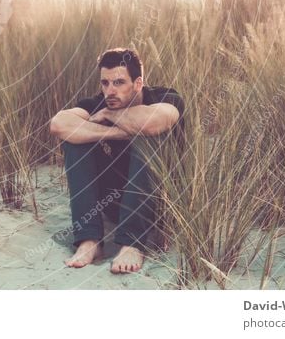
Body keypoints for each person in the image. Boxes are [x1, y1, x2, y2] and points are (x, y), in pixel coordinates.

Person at [49, 47, 184, 274]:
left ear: (138, 83)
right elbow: (59, 125)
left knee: (150, 136)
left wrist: (110, 117)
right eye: (105, 83)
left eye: (119, 83)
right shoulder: (96, 103)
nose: (110, 91)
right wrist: (118, 132)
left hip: (163, 205)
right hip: (114, 205)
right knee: (74, 139)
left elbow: (153, 122)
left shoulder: (165, 97)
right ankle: (89, 240)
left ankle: (132, 243)